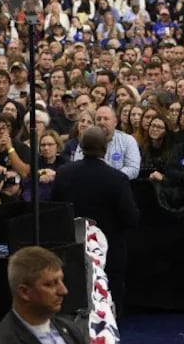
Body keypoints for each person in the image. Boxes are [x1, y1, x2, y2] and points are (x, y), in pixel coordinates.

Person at [52, 125, 140, 314]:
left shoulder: (63, 173)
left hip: (73, 249)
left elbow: (55, 210)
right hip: (110, 253)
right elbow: (130, 217)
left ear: (81, 147)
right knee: (111, 296)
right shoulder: (117, 179)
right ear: (105, 148)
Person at [0, 245, 98, 344]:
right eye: (51, 284)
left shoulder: (71, 331)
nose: (63, 291)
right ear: (24, 292)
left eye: (61, 280)